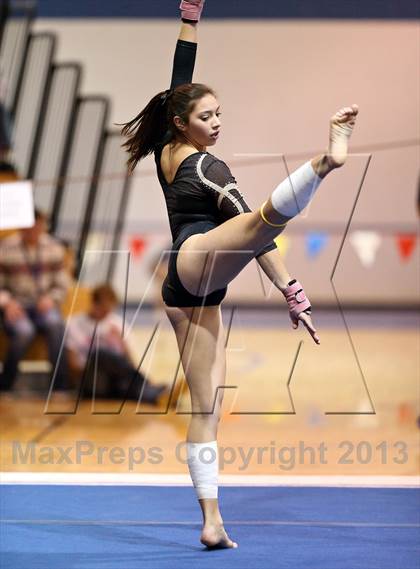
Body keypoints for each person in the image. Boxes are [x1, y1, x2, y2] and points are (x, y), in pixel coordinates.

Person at [121, 0, 359, 549]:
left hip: (188, 296)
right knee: (257, 224)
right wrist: (291, 289)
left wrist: (190, 20)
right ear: (182, 123)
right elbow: (258, 236)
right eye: (207, 117)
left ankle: (211, 520)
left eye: (219, 113)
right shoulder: (207, 166)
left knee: (206, 407)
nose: (217, 123)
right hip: (194, 257)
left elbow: (177, 81)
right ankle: (326, 162)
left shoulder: (166, 143)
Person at [0, 208, 71, 393]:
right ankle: (6, 384)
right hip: (16, 305)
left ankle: (60, 387)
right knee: (24, 331)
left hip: (43, 304)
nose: (32, 230)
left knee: (55, 324)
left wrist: (50, 299)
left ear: (42, 226)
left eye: (36, 226)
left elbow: (63, 284)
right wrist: (7, 303)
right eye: (27, 226)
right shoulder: (5, 248)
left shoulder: (54, 248)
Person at [65, 283, 169, 405]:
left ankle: (158, 397)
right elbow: (72, 365)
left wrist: (121, 342)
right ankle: (150, 386)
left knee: (126, 388)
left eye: (109, 310)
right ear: (94, 304)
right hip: (89, 380)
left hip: (114, 382)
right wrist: (99, 368)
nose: (107, 314)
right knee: (100, 354)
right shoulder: (73, 324)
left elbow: (129, 362)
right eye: (104, 310)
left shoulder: (117, 324)